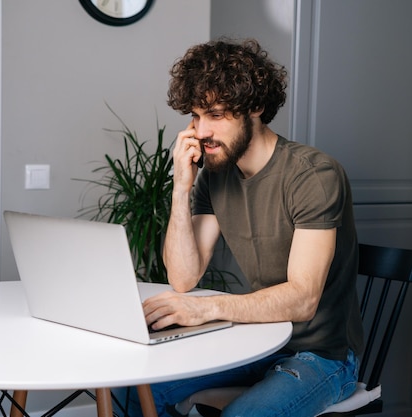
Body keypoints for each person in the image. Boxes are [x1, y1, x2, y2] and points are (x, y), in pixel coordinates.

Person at [113, 38, 364, 417]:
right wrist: (180, 187)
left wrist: (205, 309)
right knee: (131, 393)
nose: (201, 131)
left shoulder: (313, 174)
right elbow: (183, 277)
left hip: (322, 356)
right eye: (196, 116)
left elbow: (302, 299)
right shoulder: (215, 177)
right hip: (259, 340)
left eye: (215, 114)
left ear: (256, 108)